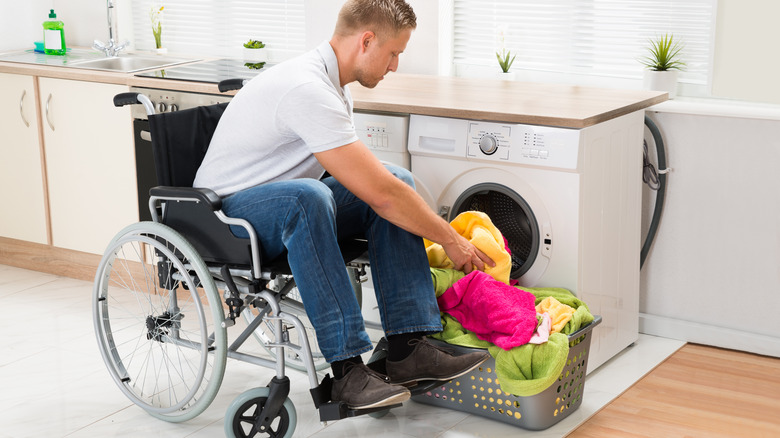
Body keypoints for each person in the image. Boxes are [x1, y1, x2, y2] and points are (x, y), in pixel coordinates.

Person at [194, 0, 493, 410]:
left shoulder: (332, 85)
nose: (394, 67)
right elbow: (379, 195)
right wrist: (451, 240)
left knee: (396, 181)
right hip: (228, 215)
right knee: (316, 196)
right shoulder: (308, 89)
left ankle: (408, 348)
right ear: (366, 41)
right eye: (393, 54)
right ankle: (347, 372)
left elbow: (382, 189)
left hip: (283, 201)